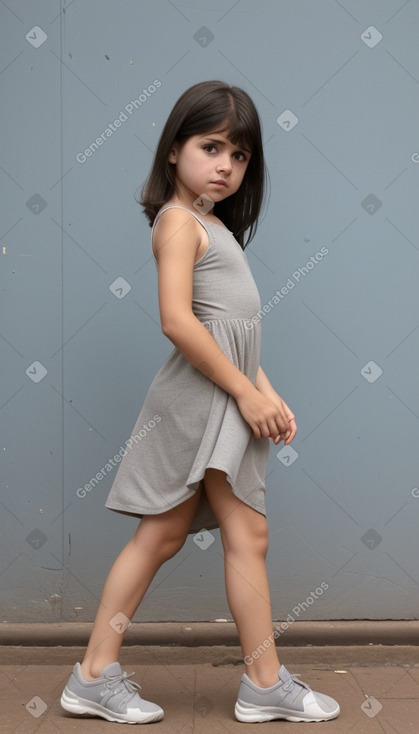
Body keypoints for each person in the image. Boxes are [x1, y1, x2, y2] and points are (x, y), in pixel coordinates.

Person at [60, 80, 340, 725]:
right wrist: (245, 393)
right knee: (165, 535)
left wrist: (266, 393)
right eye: (211, 147)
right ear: (172, 151)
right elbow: (178, 323)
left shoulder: (215, 226)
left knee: (230, 534)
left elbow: (232, 332)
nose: (225, 165)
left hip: (226, 400)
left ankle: (115, 676)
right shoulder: (178, 222)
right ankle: (103, 676)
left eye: (239, 156)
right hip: (197, 403)